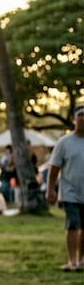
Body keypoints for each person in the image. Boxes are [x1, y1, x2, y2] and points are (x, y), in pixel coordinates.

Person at [47, 105, 84, 271]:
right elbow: (54, 168)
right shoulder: (64, 142)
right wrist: (50, 189)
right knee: (73, 225)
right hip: (70, 192)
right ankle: (72, 260)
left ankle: (82, 260)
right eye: (80, 115)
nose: (83, 118)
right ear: (73, 119)